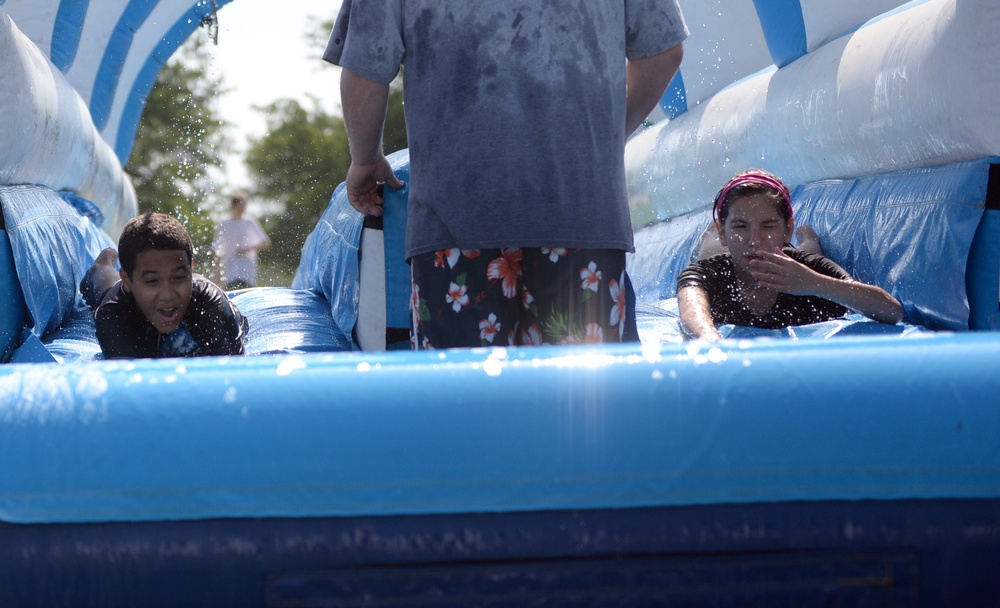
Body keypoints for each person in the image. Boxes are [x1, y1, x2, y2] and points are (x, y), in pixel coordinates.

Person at [325, 1, 687, 349]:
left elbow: (364, 71)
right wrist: (607, 139)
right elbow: (664, 52)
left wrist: (365, 159)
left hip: (457, 228)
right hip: (583, 221)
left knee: (465, 400)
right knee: (589, 402)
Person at [676, 171, 903, 340]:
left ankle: (808, 239)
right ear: (723, 232)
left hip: (795, 257)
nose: (754, 239)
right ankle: (712, 235)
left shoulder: (809, 270)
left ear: (787, 229)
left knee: (806, 253)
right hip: (726, 253)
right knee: (710, 252)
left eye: (768, 225)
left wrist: (814, 283)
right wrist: (712, 341)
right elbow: (691, 312)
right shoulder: (707, 274)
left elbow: (892, 311)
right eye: (740, 226)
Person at [80, 212, 248, 359]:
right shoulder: (114, 311)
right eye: (152, 281)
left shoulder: (210, 304)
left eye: (180, 277)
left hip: (199, 290)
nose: (167, 295)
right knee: (103, 280)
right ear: (127, 279)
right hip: (118, 291)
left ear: (191, 268)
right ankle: (106, 259)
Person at [212, 191, 270, 290]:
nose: (241, 208)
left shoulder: (250, 222)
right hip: (230, 269)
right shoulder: (225, 223)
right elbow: (215, 249)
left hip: (247, 270)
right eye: (239, 205)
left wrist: (247, 249)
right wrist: (217, 273)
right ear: (233, 206)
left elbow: (266, 243)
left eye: (243, 205)